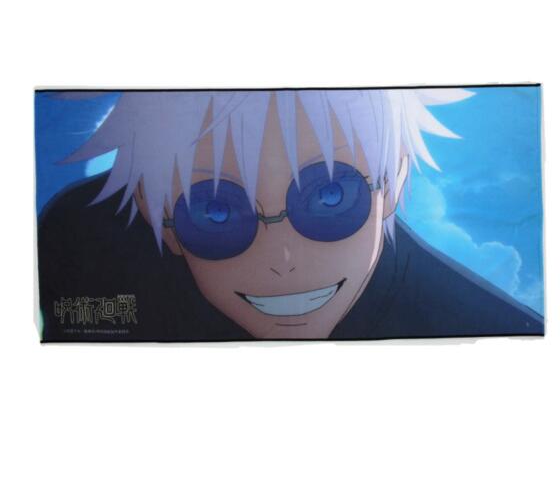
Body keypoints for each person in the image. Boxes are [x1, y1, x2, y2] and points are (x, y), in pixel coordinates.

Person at [37, 89, 544, 341]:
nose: (282, 259)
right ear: (157, 215)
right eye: (217, 212)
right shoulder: (80, 250)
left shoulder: (482, 331)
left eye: (330, 198)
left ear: (393, 182)